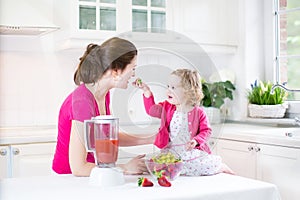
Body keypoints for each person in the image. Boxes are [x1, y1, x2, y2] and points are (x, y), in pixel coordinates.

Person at [52, 37, 155, 177]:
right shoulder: (82, 102)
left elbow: (106, 136)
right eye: (133, 68)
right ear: (116, 71)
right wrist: (124, 168)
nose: (133, 74)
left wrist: (150, 139)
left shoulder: (103, 94)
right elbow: (79, 168)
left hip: (94, 174)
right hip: (70, 179)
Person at [133, 69, 234, 176]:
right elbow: (151, 110)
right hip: (171, 151)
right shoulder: (166, 107)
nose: (168, 91)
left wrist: (196, 141)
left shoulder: (198, 112)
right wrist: (146, 92)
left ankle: (221, 167)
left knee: (200, 164)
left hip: (189, 152)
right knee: (158, 166)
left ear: (188, 91)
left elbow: (206, 131)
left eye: (173, 88)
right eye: (168, 86)